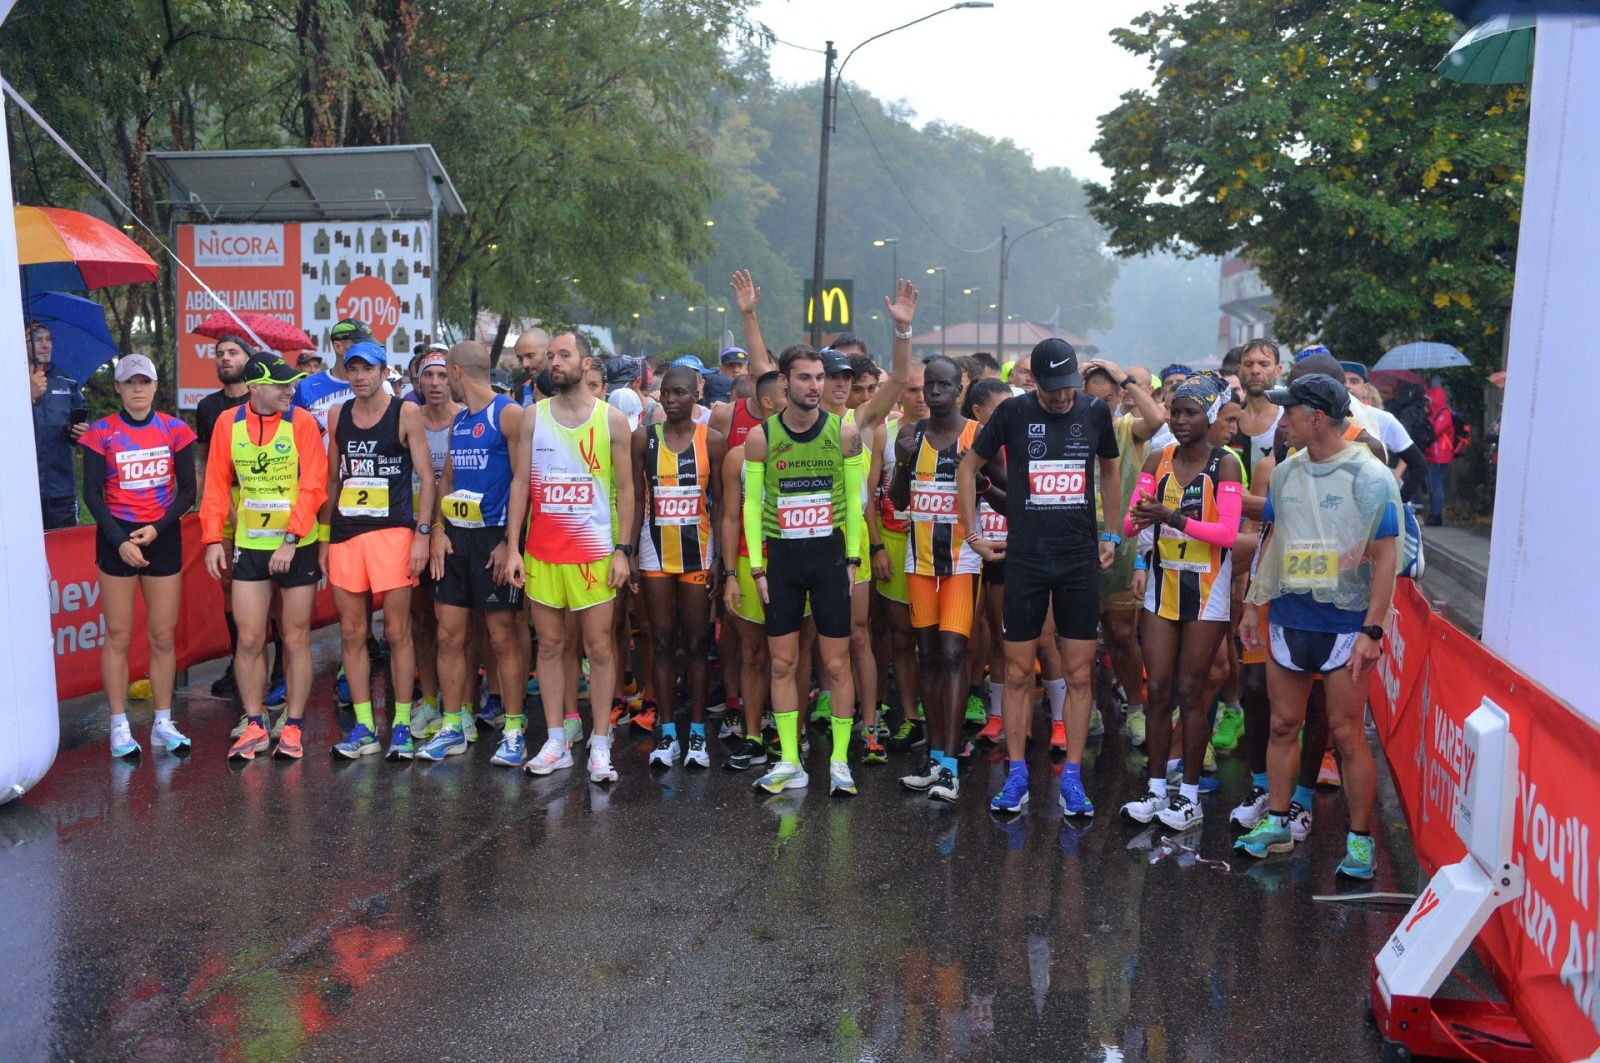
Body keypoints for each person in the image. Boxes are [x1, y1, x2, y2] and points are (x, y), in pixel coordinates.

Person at [1235, 373, 1402, 881]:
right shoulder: (1286, 471)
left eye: (1290, 413)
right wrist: (1251, 605)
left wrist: (1373, 632)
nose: (1281, 422)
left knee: (1347, 735)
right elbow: (1277, 541)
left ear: (1318, 418)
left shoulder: (1368, 476)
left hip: (1345, 622)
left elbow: (1387, 558)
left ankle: (1359, 841)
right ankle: (1278, 823)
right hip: (1290, 615)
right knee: (1284, 724)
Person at [959, 339, 1122, 818]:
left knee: (1077, 672)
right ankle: (1015, 776)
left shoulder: (1095, 412)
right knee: (1014, 671)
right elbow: (967, 467)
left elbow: (1109, 470)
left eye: (1066, 388)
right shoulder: (1012, 412)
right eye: (1051, 390)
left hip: (1077, 560)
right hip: (1025, 559)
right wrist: (973, 535)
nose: (1060, 397)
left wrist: (1110, 531)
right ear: (1036, 383)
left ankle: (1071, 777)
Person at [504, 330, 635, 784]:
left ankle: (600, 743)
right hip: (542, 553)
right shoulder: (531, 418)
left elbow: (626, 490)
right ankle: (556, 740)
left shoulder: (612, 420)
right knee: (553, 646)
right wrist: (513, 547)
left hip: (595, 554)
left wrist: (623, 551)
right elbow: (520, 484)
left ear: (585, 362)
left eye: (564, 355)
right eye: (551, 356)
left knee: (598, 647)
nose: (554, 362)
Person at [741, 343, 869, 797]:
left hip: (831, 560)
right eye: (805, 378)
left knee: (836, 662)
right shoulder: (761, 438)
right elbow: (751, 506)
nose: (815, 386)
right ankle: (790, 760)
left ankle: (838, 760)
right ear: (784, 382)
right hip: (783, 562)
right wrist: (757, 569)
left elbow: (854, 501)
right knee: (783, 662)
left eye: (819, 378)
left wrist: (853, 558)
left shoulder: (844, 432)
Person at [1120, 376, 1243, 831]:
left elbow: (1227, 535)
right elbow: (1134, 523)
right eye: (1175, 412)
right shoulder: (1158, 458)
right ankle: (1155, 791)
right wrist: (1137, 520)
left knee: (1192, 694)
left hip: (1207, 592)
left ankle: (1188, 797)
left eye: (1191, 412)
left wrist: (1170, 517)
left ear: (1209, 416)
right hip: (1161, 587)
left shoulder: (1224, 465)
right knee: (1159, 692)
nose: (1181, 420)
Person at [201, 355, 328, 761]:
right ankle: (254, 722)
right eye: (282, 385)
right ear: (255, 387)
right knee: (251, 637)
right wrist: (210, 538)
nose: (291, 391)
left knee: (293, 638)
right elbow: (217, 483)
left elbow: (314, 485)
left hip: (296, 544)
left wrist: (291, 538)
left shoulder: (302, 422)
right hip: (250, 543)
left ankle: (292, 725)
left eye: (293, 385)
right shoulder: (228, 422)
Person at [415, 341, 532, 766]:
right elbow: (446, 479)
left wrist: (511, 544)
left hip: (495, 538)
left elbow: (524, 482)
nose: (443, 383)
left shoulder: (509, 414)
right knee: (449, 634)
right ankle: (452, 726)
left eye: (446, 374)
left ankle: (515, 729)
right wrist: (439, 530)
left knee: (501, 638)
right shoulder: (459, 421)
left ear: (459, 373)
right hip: (457, 539)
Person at [319, 340, 435, 759]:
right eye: (352, 369)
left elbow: (426, 475)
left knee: (397, 632)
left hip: (394, 533)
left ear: (385, 372)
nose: (359, 376)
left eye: (367, 368)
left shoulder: (405, 411)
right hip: (347, 534)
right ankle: (366, 727)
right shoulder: (337, 414)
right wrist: (322, 536)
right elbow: (333, 479)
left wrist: (422, 533)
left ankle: (401, 723)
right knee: (352, 633)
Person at [81, 354, 198, 757]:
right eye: (129, 382)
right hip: (116, 539)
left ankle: (163, 722)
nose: (137, 389)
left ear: (154, 386)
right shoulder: (101, 432)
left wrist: (157, 529)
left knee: (163, 635)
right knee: (117, 635)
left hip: (161, 537)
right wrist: (120, 541)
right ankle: (119, 726)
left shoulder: (176, 430)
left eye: (144, 382)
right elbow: (91, 494)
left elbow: (187, 492)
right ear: (117, 387)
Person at [888, 356, 986, 803]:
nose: (936, 392)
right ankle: (934, 757)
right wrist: (906, 463)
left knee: (953, 653)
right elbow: (898, 499)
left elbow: (1003, 487)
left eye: (945, 384)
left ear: (960, 387)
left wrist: (977, 472)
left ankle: (949, 762)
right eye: (930, 385)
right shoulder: (909, 436)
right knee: (927, 654)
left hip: (963, 559)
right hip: (920, 560)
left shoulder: (977, 435)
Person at [632, 364, 726, 768]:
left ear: (696, 395)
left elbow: (721, 505)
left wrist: (721, 557)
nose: (672, 400)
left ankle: (699, 735)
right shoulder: (643, 439)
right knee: (663, 641)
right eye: (665, 393)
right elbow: (637, 499)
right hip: (654, 552)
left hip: (698, 554)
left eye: (680, 393)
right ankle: (668, 733)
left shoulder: (714, 441)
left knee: (697, 645)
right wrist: (629, 550)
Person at [1081, 358, 1166, 745]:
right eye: (1091, 398)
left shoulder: (1127, 429)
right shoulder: (1069, 430)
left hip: (1122, 542)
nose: (1100, 406)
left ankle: (1135, 708)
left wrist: (1124, 376)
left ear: (1118, 399)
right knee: (1080, 635)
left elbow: (1157, 418)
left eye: (1108, 398)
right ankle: (1089, 706)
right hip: (1077, 541)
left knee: (1121, 633)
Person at [194, 335, 254, 698]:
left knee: (270, 585)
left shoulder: (263, 397)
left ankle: (277, 666)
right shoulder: (208, 406)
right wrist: (202, 495)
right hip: (222, 499)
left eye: (233, 353)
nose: (225, 358)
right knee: (229, 585)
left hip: (264, 498)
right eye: (220, 354)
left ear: (249, 359)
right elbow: (202, 455)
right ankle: (238, 660)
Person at [406, 346, 458, 741]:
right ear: (418, 382)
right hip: (415, 529)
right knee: (421, 621)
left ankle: (468, 703)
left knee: (461, 625)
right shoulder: (409, 420)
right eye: (428, 377)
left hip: (459, 531)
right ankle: (428, 700)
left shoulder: (466, 419)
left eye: (442, 376)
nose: (436, 384)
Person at [28, 322, 88, 529]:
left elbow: (77, 424)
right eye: (38, 339)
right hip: (21, 490)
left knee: (62, 553)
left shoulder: (65, 381)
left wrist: (78, 432)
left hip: (60, 489)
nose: (46, 345)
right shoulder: (8, 379)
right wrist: (27, 396)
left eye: (48, 339)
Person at [293, 318, 384, 431]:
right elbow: (294, 432)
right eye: (359, 345)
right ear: (338, 347)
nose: (366, 351)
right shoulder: (307, 387)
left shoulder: (380, 384)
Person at [1423, 380, 1460, 526]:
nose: (1427, 404)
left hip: (1440, 455)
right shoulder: (1437, 414)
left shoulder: (1444, 414)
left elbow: (1434, 431)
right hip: (1434, 454)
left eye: (1429, 401)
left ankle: (1436, 515)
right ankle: (1434, 513)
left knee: (1436, 485)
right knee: (1433, 484)